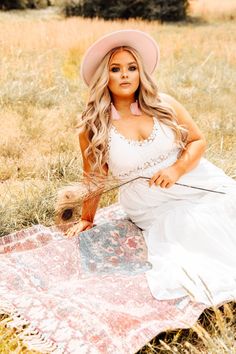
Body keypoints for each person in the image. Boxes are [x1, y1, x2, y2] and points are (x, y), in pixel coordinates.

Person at [67, 29, 236, 305]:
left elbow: (197, 140)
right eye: (115, 68)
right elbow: (94, 176)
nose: (125, 75)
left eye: (131, 68)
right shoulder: (93, 126)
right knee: (191, 227)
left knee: (230, 204)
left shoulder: (163, 103)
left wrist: (177, 170)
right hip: (152, 203)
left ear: (140, 72)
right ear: (103, 76)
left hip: (197, 178)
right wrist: (87, 217)